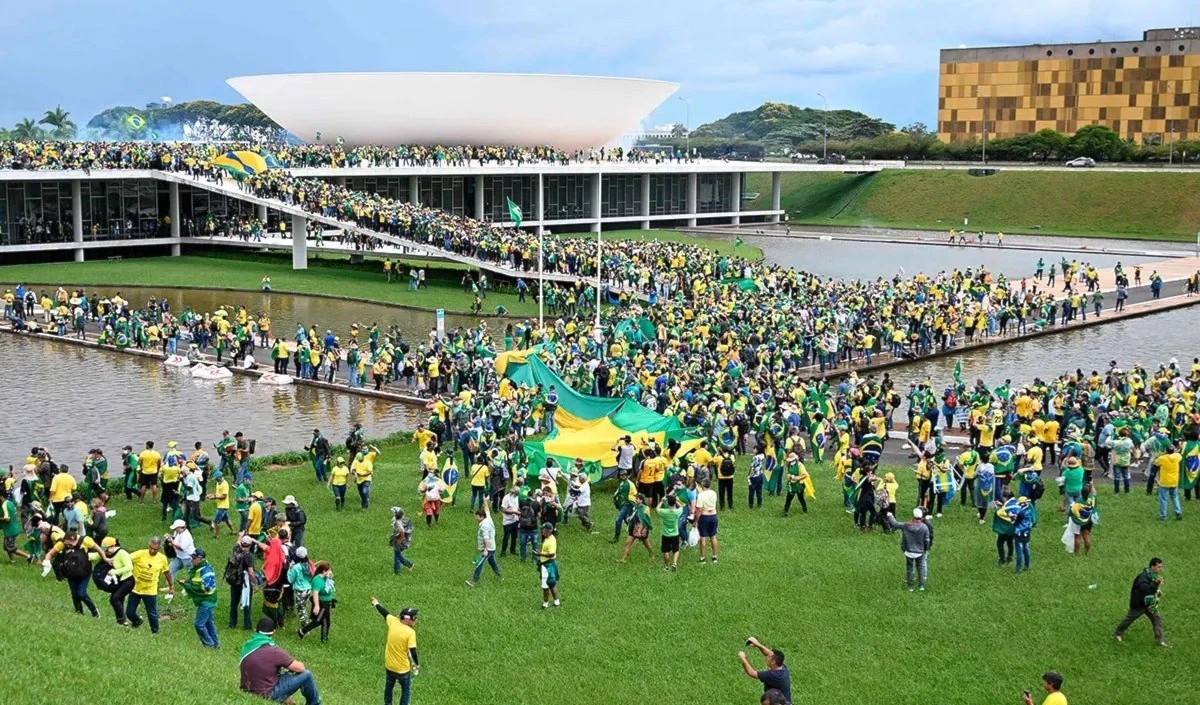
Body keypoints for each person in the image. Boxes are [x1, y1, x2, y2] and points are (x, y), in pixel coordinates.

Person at [240, 617, 323, 704]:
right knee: (307, 675)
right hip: (268, 694)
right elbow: (300, 668)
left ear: (255, 630)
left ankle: (286, 699)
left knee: (284, 673)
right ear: (273, 632)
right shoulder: (273, 651)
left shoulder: (247, 646)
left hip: (247, 690)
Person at [371, 598, 419, 705]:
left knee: (389, 687)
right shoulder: (410, 632)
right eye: (414, 618)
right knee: (405, 690)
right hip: (402, 669)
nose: (415, 620)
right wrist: (416, 665)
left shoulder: (393, 622)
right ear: (407, 620)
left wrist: (376, 603)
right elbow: (413, 651)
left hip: (389, 666)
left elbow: (384, 613)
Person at [42, 530, 100, 617]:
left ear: (75, 540)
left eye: (71, 544)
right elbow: (50, 553)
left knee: (81, 593)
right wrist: (47, 563)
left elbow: (100, 550)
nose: (68, 546)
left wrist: (105, 559)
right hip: (70, 572)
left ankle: (94, 611)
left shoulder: (85, 540)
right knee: (74, 594)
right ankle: (79, 612)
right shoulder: (62, 544)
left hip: (84, 572)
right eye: (67, 544)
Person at [1112, 557, 1168, 647]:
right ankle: (1117, 634)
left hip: (1149, 603)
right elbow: (1146, 590)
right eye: (1159, 567)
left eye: (1161, 567)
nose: (1160, 569)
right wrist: (1155, 583)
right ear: (1152, 566)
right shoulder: (1143, 577)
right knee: (1128, 620)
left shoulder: (1152, 575)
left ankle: (1160, 640)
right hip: (1139, 604)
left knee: (1157, 619)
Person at [127, 536, 173, 633]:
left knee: (152, 613)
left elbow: (167, 572)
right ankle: (137, 621)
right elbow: (126, 559)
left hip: (150, 590)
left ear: (159, 548)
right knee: (130, 612)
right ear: (149, 545)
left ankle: (155, 632)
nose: (152, 551)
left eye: (155, 549)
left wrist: (171, 586)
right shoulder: (140, 554)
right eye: (151, 548)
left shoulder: (162, 558)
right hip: (136, 588)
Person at [884, 507, 932, 591]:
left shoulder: (906, 525)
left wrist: (890, 515)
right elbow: (927, 540)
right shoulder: (924, 527)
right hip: (920, 552)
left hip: (909, 551)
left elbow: (895, 524)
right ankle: (921, 585)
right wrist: (925, 549)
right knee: (920, 568)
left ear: (913, 516)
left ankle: (910, 586)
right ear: (921, 517)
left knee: (910, 568)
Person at [182, 548, 220, 648]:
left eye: (193, 558)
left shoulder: (206, 570)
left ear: (199, 558)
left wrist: (187, 586)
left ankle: (209, 644)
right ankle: (215, 644)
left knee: (199, 624)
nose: (192, 560)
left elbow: (206, 588)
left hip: (207, 601)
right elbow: (196, 581)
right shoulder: (199, 568)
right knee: (209, 623)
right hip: (206, 601)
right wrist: (187, 583)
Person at [737, 637, 792, 705]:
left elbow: (751, 673)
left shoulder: (773, 675)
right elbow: (769, 653)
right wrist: (758, 645)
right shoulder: (782, 667)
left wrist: (743, 658)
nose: (766, 658)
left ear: (773, 662)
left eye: (769, 657)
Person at [298, 560, 336, 642]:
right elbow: (315, 594)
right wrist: (317, 606)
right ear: (324, 571)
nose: (330, 572)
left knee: (324, 621)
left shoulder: (325, 578)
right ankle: (303, 631)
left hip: (326, 603)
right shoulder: (318, 580)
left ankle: (323, 639)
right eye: (328, 570)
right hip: (322, 604)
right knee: (319, 621)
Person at [466, 504, 502, 586]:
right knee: (492, 562)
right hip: (492, 547)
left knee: (479, 563)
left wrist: (485, 549)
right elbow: (487, 510)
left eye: (477, 517)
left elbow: (486, 538)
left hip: (488, 548)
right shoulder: (488, 518)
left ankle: (474, 581)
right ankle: (499, 576)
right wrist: (485, 501)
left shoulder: (484, 526)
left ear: (482, 517)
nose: (476, 518)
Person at [227, 534, 258, 629]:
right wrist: (255, 583)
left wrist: (241, 535)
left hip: (234, 580)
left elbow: (237, 542)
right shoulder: (249, 556)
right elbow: (251, 572)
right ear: (250, 544)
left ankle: (232, 623)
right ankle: (247, 624)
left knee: (234, 603)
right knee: (246, 601)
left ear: (241, 543)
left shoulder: (236, 549)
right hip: (244, 582)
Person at [617, 493, 655, 563]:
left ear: (641, 500)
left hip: (641, 529)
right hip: (634, 527)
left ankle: (652, 555)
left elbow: (643, 521)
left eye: (637, 499)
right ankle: (623, 559)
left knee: (647, 544)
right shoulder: (636, 507)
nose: (635, 499)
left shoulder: (644, 509)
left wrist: (639, 531)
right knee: (627, 543)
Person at [534, 521, 560, 609]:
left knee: (545, 586)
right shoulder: (549, 538)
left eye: (544, 530)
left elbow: (552, 554)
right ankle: (557, 602)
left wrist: (540, 554)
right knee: (552, 584)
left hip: (547, 565)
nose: (542, 532)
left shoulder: (551, 541)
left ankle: (545, 603)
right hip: (548, 564)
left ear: (548, 531)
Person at [695, 479, 720, 564]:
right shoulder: (714, 493)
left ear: (702, 485)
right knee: (713, 536)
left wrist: (696, 521)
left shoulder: (701, 495)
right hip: (713, 515)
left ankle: (702, 558)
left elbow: (699, 510)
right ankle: (714, 557)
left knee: (703, 537)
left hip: (704, 517)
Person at [656, 494, 684, 571]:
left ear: (667, 503)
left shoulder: (664, 512)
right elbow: (682, 507)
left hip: (665, 534)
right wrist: (676, 500)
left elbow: (657, 508)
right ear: (674, 503)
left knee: (665, 551)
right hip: (675, 534)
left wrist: (661, 501)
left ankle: (666, 566)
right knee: (676, 550)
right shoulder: (677, 512)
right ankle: (674, 563)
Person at [390, 506, 414, 574]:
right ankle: (409, 564)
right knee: (398, 555)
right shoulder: (399, 520)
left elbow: (402, 531)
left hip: (400, 541)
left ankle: (396, 572)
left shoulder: (398, 522)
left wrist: (399, 540)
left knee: (397, 557)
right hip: (399, 540)